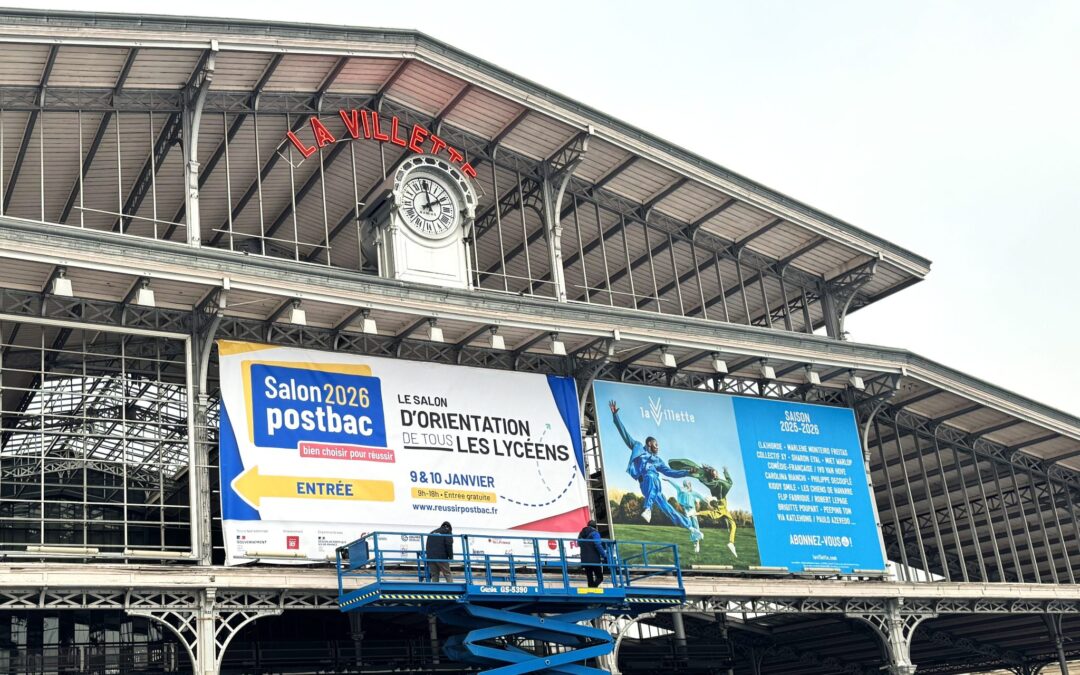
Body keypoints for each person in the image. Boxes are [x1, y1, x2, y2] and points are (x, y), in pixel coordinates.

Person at [608, 400, 702, 542]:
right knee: (651, 477)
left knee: (669, 510)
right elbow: (625, 434)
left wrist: (687, 472)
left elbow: (670, 472)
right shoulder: (638, 447)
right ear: (649, 444)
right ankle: (648, 508)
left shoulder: (658, 460)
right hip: (646, 482)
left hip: (655, 486)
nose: (658, 447)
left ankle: (691, 529)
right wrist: (615, 416)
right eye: (656, 444)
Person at [670, 460, 739, 558]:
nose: (716, 475)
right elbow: (729, 482)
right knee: (712, 515)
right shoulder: (714, 483)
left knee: (732, 523)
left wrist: (708, 500)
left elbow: (702, 491)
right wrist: (725, 472)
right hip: (719, 504)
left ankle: (731, 542)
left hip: (721, 504)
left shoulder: (712, 482)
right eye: (715, 474)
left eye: (716, 473)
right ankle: (696, 515)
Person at [663, 477, 713, 554]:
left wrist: (708, 503)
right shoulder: (681, 489)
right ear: (685, 485)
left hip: (692, 510)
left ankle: (697, 543)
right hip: (686, 509)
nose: (688, 486)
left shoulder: (693, 492)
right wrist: (669, 480)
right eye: (686, 484)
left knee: (696, 525)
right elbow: (675, 485)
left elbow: (701, 497)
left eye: (689, 484)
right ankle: (696, 539)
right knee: (689, 524)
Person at [577, 520, 609, 587]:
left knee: (590, 578)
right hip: (594, 560)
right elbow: (598, 544)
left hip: (584, 560)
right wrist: (605, 556)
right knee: (600, 577)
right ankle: (593, 588)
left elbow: (579, 544)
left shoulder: (581, 534)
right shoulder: (595, 533)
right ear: (595, 526)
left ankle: (591, 589)